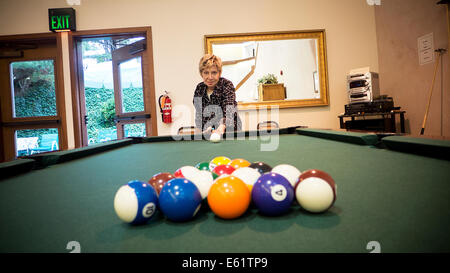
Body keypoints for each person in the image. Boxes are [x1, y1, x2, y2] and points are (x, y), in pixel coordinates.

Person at [193, 54, 242, 135]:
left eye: (214, 72)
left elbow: (229, 111)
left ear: (219, 73)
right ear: (201, 73)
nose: (210, 77)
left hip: (230, 132)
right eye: (206, 73)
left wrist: (221, 127)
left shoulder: (227, 85)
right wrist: (199, 134)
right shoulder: (199, 88)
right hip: (208, 132)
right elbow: (199, 114)